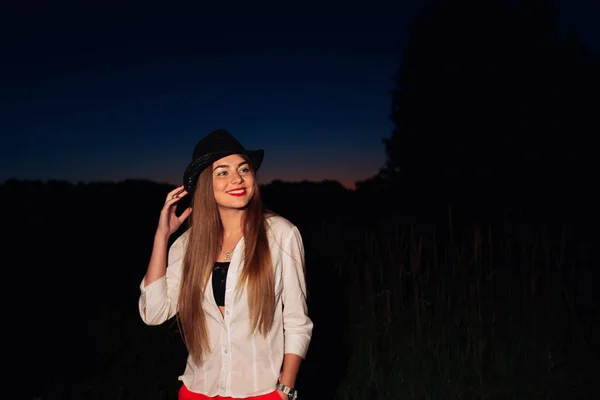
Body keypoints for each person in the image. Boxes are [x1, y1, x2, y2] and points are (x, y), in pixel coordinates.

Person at [138, 129, 313, 400]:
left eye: (243, 169)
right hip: (198, 390)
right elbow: (154, 312)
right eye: (223, 172)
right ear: (205, 184)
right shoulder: (187, 246)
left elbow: (297, 322)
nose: (237, 179)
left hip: (262, 392)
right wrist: (162, 236)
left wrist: (285, 391)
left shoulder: (281, 235)